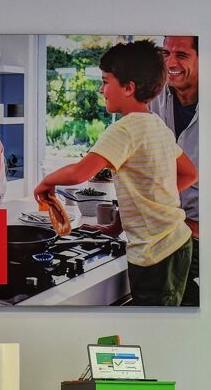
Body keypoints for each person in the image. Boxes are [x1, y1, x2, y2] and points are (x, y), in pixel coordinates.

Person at [34, 40, 197, 306]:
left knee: (154, 327)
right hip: (178, 244)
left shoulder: (124, 129)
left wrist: (46, 182)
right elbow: (189, 174)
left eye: (105, 81)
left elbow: (78, 173)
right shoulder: (156, 125)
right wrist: (118, 225)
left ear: (129, 88)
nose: (101, 90)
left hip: (154, 255)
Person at [149, 35, 200, 305]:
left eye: (181, 55)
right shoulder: (154, 101)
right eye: (166, 54)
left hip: (203, 240)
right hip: (165, 235)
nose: (170, 63)